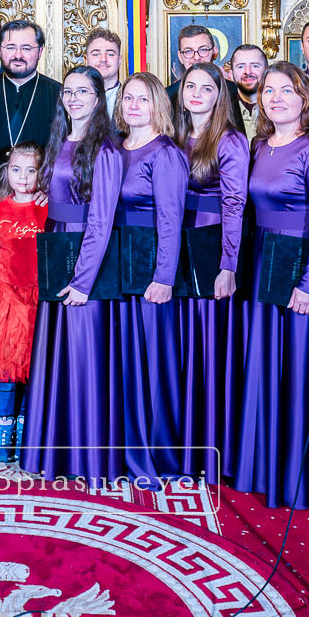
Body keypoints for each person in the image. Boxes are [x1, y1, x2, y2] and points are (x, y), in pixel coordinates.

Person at [232, 62, 309, 510]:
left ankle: (298, 476)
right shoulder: (259, 144)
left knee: (297, 368)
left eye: (286, 90)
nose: (275, 98)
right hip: (264, 261)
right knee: (265, 364)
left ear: (305, 98)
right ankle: (263, 465)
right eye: (268, 91)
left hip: (302, 262)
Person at [21, 66, 125, 480]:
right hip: (57, 249)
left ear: (99, 98)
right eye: (68, 91)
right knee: (56, 354)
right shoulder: (60, 141)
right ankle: (54, 450)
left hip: (87, 257)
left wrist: (83, 281)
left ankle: (87, 455)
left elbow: (101, 220)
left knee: (83, 355)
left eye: (83, 91)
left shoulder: (108, 149)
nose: (74, 98)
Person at [107, 73, 189, 479]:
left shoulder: (166, 153)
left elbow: (171, 221)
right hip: (116, 265)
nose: (133, 105)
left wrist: (164, 277)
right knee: (123, 362)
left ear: (158, 104)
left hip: (151, 266)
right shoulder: (115, 149)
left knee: (151, 363)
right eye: (127, 98)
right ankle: (121, 447)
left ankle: (153, 455)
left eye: (143, 99)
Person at [174, 62, 246, 481]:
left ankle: (209, 444)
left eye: (206, 87)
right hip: (176, 246)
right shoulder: (175, 135)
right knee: (181, 348)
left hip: (211, 245)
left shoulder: (230, 140)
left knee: (207, 349)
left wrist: (228, 264)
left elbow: (234, 203)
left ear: (220, 95)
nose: (196, 93)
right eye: (190, 86)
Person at [0, 145, 46, 464]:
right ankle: (3, 431)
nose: (23, 177)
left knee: (31, 368)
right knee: (6, 366)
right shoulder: (0, 209)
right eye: (16, 169)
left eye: (31, 170)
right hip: (6, 300)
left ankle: (23, 426)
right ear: (7, 171)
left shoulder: (46, 208)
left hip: (36, 301)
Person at [0, 19, 60, 162]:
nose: (18, 55)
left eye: (26, 48)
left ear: (40, 52)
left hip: (43, 182)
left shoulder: (59, 94)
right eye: (10, 47)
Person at [166, 25, 244, 129]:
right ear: (180, 57)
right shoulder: (168, 96)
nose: (197, 57)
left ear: (214, 52)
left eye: (203, 50)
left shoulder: (234, 91)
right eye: (188, 51)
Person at [83, 27, 122, 113]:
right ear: (86, 60)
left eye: (110, 54)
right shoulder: (74, 99)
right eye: (96, 54)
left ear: (119, 60)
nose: (103, 59)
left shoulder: (132, 101)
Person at [228, 43, 267, 130]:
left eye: (255, 66)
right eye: (241, 66)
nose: (248, 71)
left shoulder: (279, 108)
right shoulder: (221, 112)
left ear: (266, 72)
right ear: (231, 74)